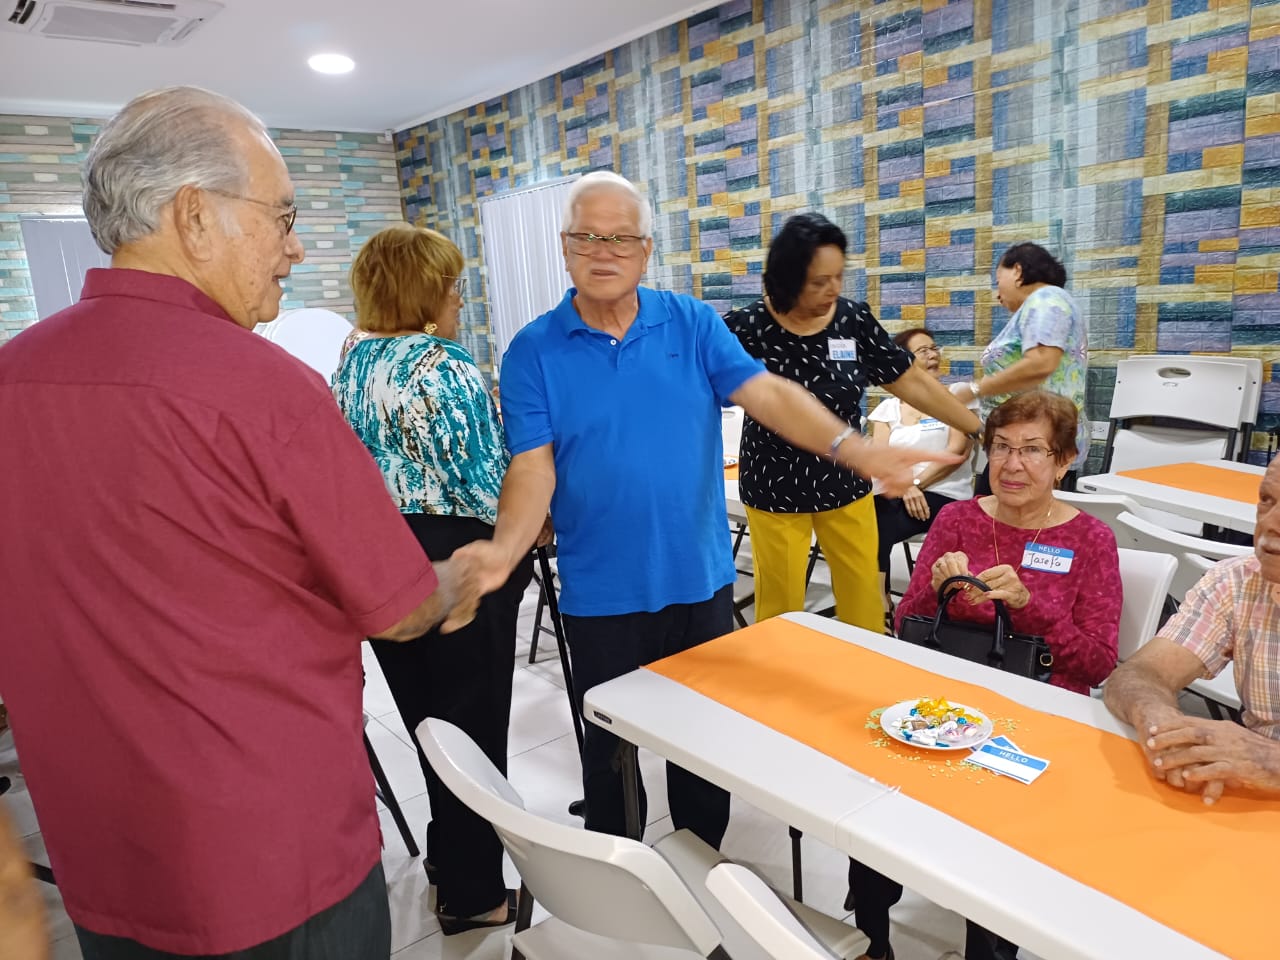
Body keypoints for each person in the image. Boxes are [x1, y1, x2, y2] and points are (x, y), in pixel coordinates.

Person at [0, 86, 478, 960]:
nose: (295, 247)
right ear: (194, 216)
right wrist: (469, 570)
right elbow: (400, 608)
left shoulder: (12, 377)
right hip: (269, 856)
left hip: (100, 854)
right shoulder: (259, 386)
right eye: (283, 216)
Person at [454, 171, 958, 851]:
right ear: (565, 245)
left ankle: (702, 864)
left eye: (621, 238)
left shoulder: (689, 322)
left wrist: (853, 449)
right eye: (587, 237)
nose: (604, 252)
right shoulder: (533, 350)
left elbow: (766, 393)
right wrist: (505, 548)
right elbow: (532, 465)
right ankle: (617, 871)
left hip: (699, 581)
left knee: (704, 743)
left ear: (646, 248)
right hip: (601, 594)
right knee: (611, 755)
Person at [852, 391, 1120, 960]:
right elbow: (908, 623)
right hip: (946, 703)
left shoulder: (1090, 541)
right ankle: (871, 938)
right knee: (873, 785)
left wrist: (1029, 607)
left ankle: (992, 946)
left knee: (1002, 822)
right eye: (1001, 447)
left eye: (1032, 450)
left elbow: (1098, 663)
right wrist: (937, 588)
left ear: (1065, 461)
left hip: (1039, 713)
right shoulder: (957, 519)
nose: (1012, 464)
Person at [331, 223, 531, 934]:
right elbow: (487, 484)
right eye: (449, 286)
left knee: (428, 723)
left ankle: (450, 859)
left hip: (381, 556)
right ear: (421, 293)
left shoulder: (351, 360)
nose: (458, 299)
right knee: (474, 728)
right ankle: (474, 893)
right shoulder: (445, 367)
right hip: (456, 554)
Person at [724, 216, 981, 634]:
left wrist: (973, 425)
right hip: (774, 485)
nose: (833, 290)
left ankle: (867, 687)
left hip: (845, 480)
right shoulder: (748, 327)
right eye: (818, 281)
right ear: (787, 280)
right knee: (780, 609)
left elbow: (909, 378)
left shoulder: (851, 320)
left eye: (838, 277)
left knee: (863, 602)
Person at [1105, 456, 1280, 802]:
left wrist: (1271, 761)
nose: (1271, 524)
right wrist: (1163, 726)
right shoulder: (1237, 583)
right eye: (1266, 500)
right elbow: (1139, 674)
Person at [952, 242, 1089, 492]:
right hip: (1023, 442)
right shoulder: (1043, 304)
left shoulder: (1046, 299)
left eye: (998, 280)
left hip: (1035, 445)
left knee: (1017, 524)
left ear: (1017, 271)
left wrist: (973, 389)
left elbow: (1040, 362)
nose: (997, 294)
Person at [869, 327, 975, 586]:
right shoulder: (888, 408)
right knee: (864, 515)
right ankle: (874, 600)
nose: (933, 354)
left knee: (877, 523)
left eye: (934, 348)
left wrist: (915, 486)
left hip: (946, 494)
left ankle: (878, 603)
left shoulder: (957, 396)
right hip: (898, 492)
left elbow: (956, 452)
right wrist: (906, 487)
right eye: (923, 350)